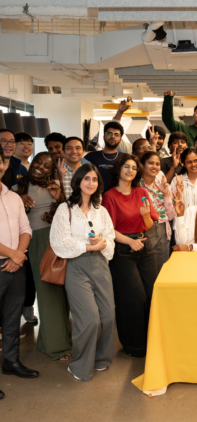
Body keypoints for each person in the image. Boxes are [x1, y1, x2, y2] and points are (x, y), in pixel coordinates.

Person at [49, 164, 116, 381]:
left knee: (107, 316)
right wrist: (88, 246)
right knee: (89, 320)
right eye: (86, 178)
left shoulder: (101, 210)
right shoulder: (65, 209)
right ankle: (78, 365)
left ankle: (100, 359)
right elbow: (60, 241)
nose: (90, 183)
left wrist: (102, 242)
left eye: (94, 179)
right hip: (76, 266)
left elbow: (110, 236)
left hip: (100, 264)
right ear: (78, 181)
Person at [13, 152, 72, 361]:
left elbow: (69, 212)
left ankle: (49, 342)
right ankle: (57, 347)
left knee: (61, 291)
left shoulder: (54, 186)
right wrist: (19, 199)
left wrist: (61, 197)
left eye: (46, 165)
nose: (40, 166)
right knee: (48, 292)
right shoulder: (15, 190)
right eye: (38, 161)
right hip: (37, 241)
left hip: (59, 240)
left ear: (51, 171)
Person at [102, 154, 159, 358]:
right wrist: (129, 241)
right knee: (134, 299)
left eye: (134, 167)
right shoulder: (109, 196)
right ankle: (134, 346)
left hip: (145, 246)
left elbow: (150, 223)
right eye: (126, 166)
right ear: (118, 169)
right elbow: (109, 230)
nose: (130, 170)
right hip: (123, 249)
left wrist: (145, 217)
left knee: (151, 295)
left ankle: (152, 340)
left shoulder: (141, 191)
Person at [0, 145, 39, 398]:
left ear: (4, 165)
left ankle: (11, 362)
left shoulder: (12, 197)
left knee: (13, 319)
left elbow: (26, 228)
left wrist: (19, 254)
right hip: (6, 261)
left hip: (16, 266)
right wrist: (12, 253)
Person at [139, 151, 175, 273]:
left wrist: (166, 195)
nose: (154, 166)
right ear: (142, 165)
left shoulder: (164, 186)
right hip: (143, 229)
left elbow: (170, 216)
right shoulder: (135, 186)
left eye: (157, 164)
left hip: (163, 229)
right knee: (145, 269)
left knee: (161, 269)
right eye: (150, 163)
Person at [83, 121, 126, 193]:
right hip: (94, 199)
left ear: (120, 139)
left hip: (118, 200)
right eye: (109, 133)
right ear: (104, 136)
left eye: (116, 134)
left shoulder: (125, 158)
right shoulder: (90, 157)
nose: (112, 136)